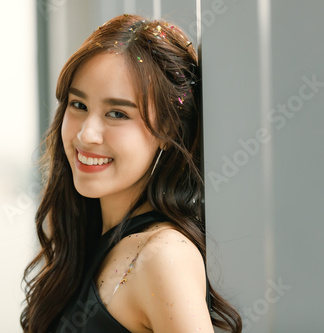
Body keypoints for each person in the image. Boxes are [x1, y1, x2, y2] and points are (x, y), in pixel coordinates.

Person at [21, 14, 242, 333]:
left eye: (117, 113)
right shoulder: (92, 242)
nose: (87, 135)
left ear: (167, 131)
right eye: (78, 105)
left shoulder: (162, 256)